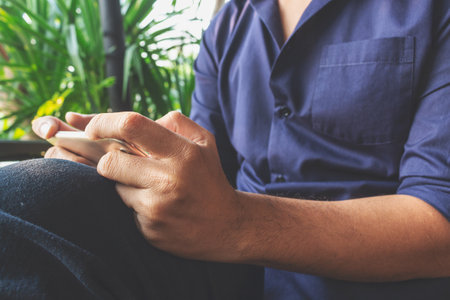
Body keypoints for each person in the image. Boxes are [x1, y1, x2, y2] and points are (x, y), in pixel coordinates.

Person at [1, 0, 450, 299]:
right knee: (39, 199)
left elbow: (441, 223)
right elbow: (213, 174)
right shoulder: (229, 23)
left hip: (367, 285)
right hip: (230, 276)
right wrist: (127, 165)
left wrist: (236, 222)